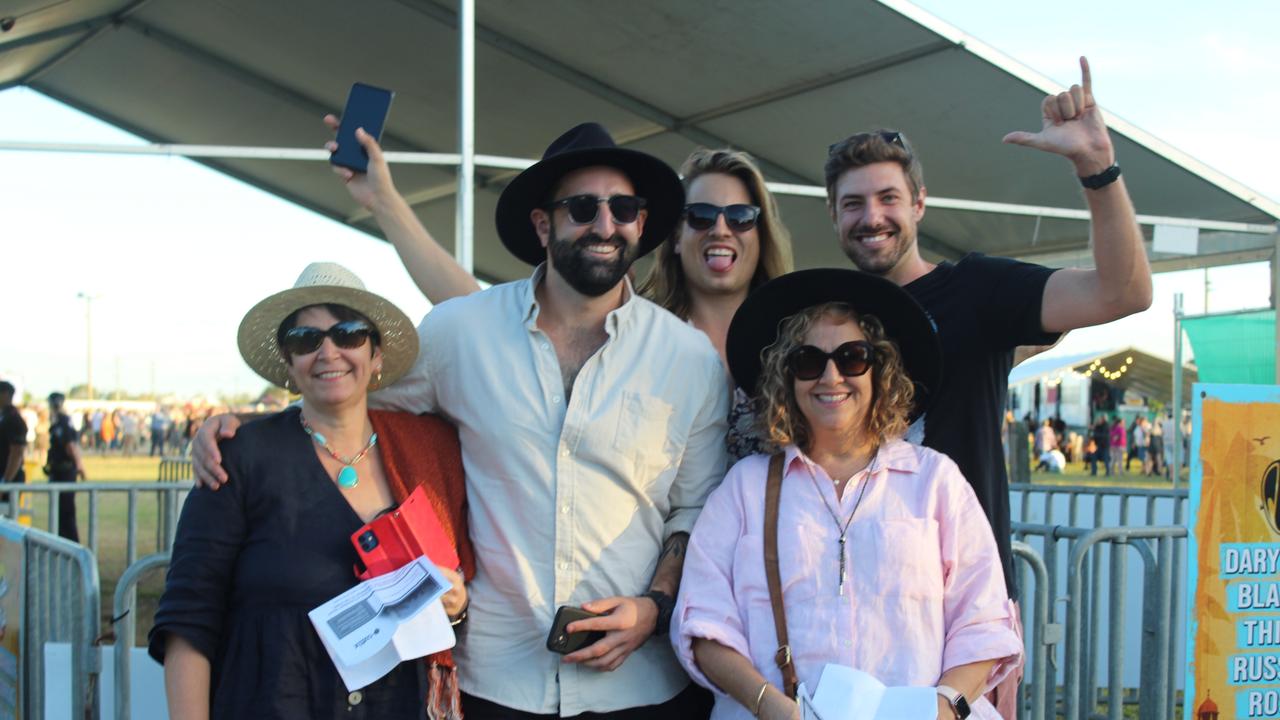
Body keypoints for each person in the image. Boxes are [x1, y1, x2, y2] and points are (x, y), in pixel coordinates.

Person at [194, 124, 731, 718]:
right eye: (583, 207)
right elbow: (350, 399)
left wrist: (654, 608)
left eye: (623, 208)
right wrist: (239, 430)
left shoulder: (689, 359)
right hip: (496, 684)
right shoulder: (462, 333)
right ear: (542, 224)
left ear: (640, 222)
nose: (605, 225)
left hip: (641, 687)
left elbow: (695, 508)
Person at [823, 58, 1151, 717]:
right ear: (834, 218)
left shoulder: (979, 289)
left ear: (918, 204)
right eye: (853, 204)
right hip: (852, 613)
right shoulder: (827, 320)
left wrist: (1097, 168)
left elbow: (1125, 292)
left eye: (888, 198)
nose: (872, 217)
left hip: (965, 618)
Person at [323, 115, 795, 463]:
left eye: (740, 217)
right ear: (673, 233)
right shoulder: (638, 330)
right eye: (699, 216)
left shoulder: (801, 340)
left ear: (762, 229)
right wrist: (386, 204)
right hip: (657, 582)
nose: (721, 229)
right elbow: (478, 317)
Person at [674, 268, 1021, 720]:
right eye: (808, 361)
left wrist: (943, 708)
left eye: (852, 357)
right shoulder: (746, 488)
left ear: (880, 370)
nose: (831, 376)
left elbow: (985, 622)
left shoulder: (936, 481)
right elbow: (703, 623)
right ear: (787, 376)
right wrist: (772, 707)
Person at [151, 263, 473, 719]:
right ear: (288, 361)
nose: (328, 352)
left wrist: (455, 605)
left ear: (375, 355)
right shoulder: (240, 457)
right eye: (306, 340)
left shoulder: (427, 455)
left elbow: (450, 593)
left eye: (348, 334)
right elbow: (188, 617)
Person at [44, 392, 86, 542]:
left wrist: (80, 465)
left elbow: (70, 446)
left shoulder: (63, 421)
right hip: (58, 470)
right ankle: (62, 541)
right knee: (60, 511)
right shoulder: (57, 421)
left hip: (65, 471)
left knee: (66, 510)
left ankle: (71, 543)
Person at [0, 381, 28, 504]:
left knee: (7, 520)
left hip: (9, 480)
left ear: (5, 395)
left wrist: (5, 483)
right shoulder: (4, 417)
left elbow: (17, 452)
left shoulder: (13, 419)